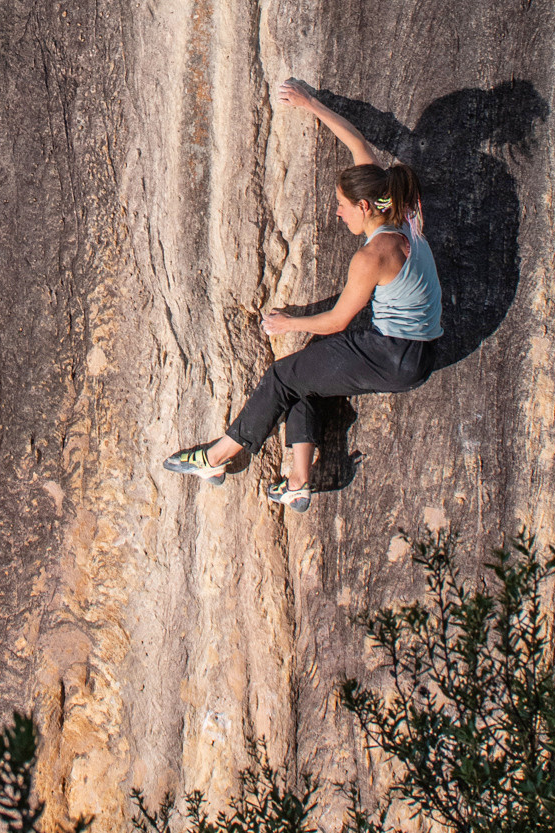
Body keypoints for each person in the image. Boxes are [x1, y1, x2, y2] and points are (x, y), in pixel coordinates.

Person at [161, 77, 441, 514]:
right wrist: (312, 105)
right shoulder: (401, 211)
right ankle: (297, 482)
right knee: (306, 374)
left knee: (282, 376)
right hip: (421, 351)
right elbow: (358, 145)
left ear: (364, 208)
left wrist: (289, 322)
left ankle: (218, 457)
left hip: (391, 354)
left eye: (342, 205)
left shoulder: (372, 256)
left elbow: (337, 322)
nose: (338, 211)